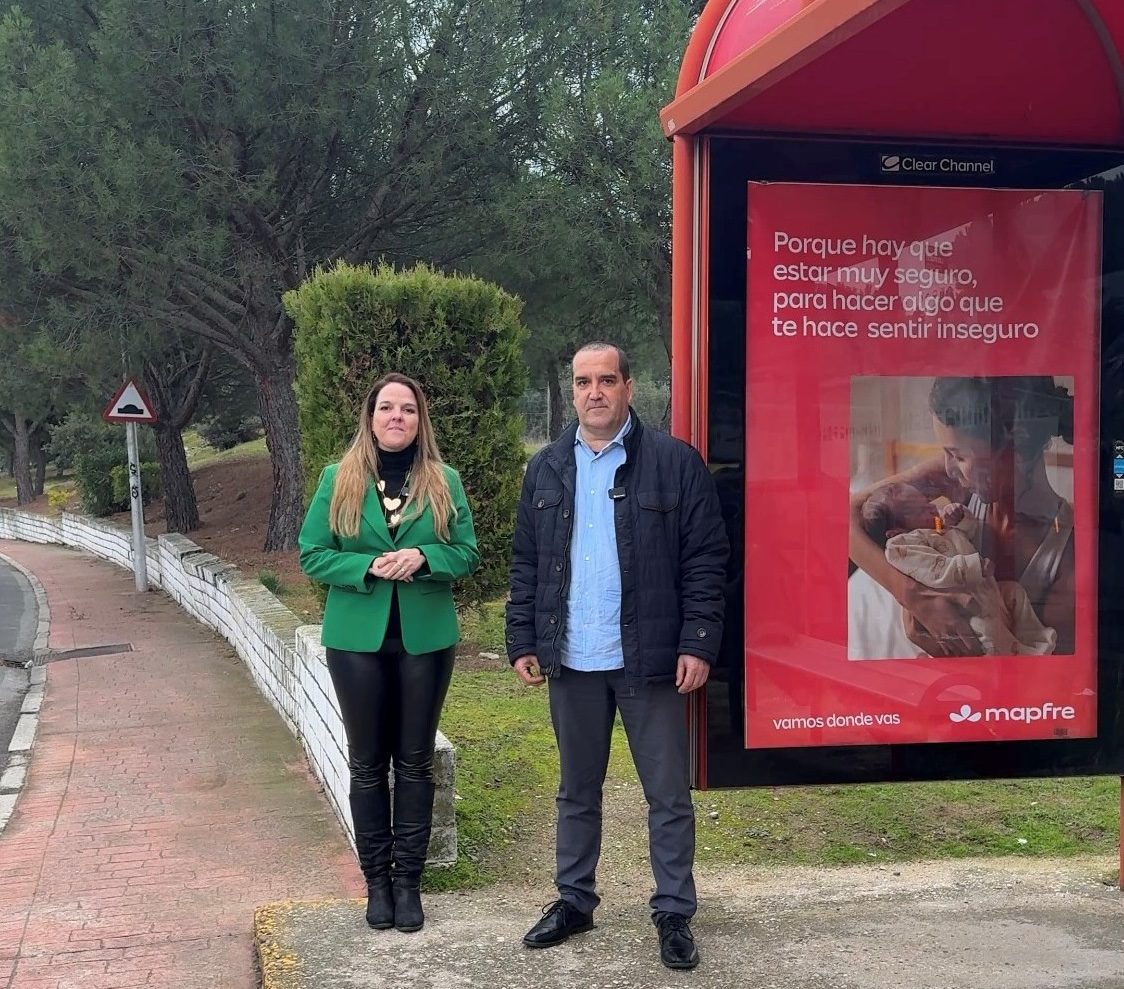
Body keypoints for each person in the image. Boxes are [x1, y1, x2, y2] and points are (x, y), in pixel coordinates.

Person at [505, 342, 728, 971]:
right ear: (572, 391)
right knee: (577, 790)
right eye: (582, 382)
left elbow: (706, 560)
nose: (593, 393)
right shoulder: (546, 467)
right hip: (572, 660)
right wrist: (523, 637)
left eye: (606, 380)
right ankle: (574, 901)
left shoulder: (675, 464)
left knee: (666, 795)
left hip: (651, 661)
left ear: (629, 386)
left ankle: (674, 912)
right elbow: (527, 564)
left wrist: (698, 642)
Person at [299, 372, 479, 934]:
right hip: (357, 640)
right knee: (368, 762)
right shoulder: (338, 479)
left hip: (425, 639)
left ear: (419, 420)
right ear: (370, 417)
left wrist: (426, 557)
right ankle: (376, 881)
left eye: (406, 409)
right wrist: (364, 567)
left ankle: (409, 884)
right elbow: (311, 553)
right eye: (386, 408)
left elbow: (468, 552)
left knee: (416, 759)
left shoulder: (444, 480)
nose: (396, 416)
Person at [849, 376, 1075, 659]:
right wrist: (911, 594)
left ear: (1013, 452)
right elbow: (848, 514)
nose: (948, 468)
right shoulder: (956, 482)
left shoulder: (1064, 559)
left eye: (958, 456)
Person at [859, 482, 1056, 656]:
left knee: (1015, 592)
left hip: (985, 588)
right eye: (920, 510)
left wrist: (960, 520)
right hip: (964, 605)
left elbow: (964, 538)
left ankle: (1033, 640)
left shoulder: (937, 528)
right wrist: (972, 565)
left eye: (926, 502)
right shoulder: (902, 546)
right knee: (987, 632)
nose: (932, 508)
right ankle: (1005, 662)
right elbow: (935, 569)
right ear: (896, 532)